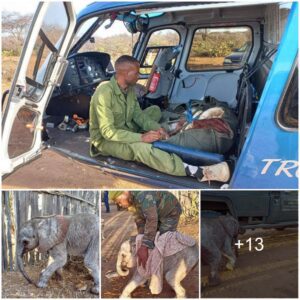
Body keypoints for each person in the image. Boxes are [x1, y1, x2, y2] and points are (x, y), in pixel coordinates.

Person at [89, 55, 229, 182]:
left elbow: (138, 115)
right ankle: (200, 172)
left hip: (127, 128)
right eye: (137, 73)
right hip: (106, 140)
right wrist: (141, 138)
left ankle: (170, 129)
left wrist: (157, 128)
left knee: (154, 110)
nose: (139, 76)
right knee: (141, 148)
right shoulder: (104, 92)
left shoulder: (129, 89)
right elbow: (108, 132)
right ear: (126, 74)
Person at [109, 190, 182, 268]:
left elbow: (152, 220)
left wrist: (144, 246)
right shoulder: (132, 202)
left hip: (170, 212)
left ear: (125, 192)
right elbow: (140, 221)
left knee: (162, 239)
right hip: (157, 213)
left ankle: (171, 264)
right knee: (152, 239)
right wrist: (141, 239)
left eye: (119, 201)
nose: (120, 205)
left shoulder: (143, 196)